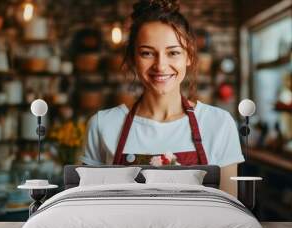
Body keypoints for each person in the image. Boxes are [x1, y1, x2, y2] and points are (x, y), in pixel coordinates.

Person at [80, 0, 244, 197]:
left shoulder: (219, 123)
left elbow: (230, 211)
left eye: (173, 52)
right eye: (147, 53)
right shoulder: (102, 125)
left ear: (188, 56)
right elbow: (89, 208)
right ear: (133, 59)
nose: (161, 66)